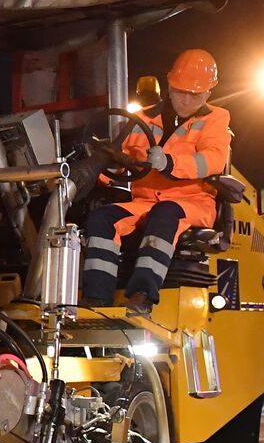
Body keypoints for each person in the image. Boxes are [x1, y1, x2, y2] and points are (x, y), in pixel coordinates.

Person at [81, 49, 232, 314]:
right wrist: (97, 171)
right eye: (180, 91)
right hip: (145, 201)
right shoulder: (143, 119)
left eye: (194, 94)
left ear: (209, 93)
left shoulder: (216, 119)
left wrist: (169, 163)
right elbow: (124, 159)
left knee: (165, 214)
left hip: (191, 202)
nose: (185, 99)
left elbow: (214, 159)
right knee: (101, 218)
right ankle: (97, 299)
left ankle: (142, 296)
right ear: (169, 85)